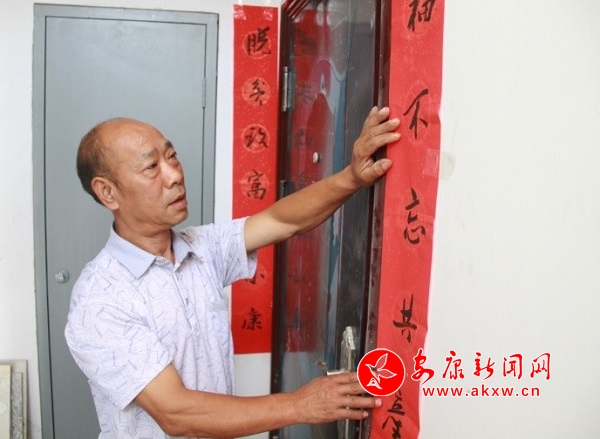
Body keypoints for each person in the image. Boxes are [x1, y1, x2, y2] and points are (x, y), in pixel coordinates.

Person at [65, 106, 401, 438]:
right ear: (108, 192)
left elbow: (282, 220)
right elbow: (174, 412)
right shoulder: (100, 299)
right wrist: (300, 405)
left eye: (172, 156)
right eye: (152, 167)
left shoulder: (200, 248)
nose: (175, 175)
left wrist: (352, 177)